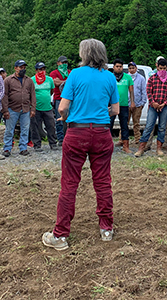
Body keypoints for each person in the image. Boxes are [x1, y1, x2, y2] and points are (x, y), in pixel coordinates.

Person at [42, 38, 119, 250]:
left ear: (85, 53)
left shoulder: (75, 75)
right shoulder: (110, 77)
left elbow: (62, 108)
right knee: (102, 182)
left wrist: (69, 116)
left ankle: (60, 234)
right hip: (102, 133)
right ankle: (106, 228)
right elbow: (116, 110)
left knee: (69, 184)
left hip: (77, 132)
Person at [136, 58, 167, 157]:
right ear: (157, 67)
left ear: (166, 68)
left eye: (164, 68)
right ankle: (141, 148)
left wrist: (165, 103)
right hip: (153, 106)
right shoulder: (152, 78)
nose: (162, 70)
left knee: (162, 127)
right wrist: (153, 102)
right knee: (148, 126)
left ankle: (159, 148)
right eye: (160, 68)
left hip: (164, 106)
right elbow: (148, 91)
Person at [2, 59, 36, 157]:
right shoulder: (8, 80)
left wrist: (33, 108)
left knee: (25, 129)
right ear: (15, 68)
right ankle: (7, 148)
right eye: (21, 67)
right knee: (9, 129)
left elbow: (33, 95)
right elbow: (4, 96)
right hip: (12, 108)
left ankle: (23, 148)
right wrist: (5, 110)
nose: (23, 69)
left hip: (25, 108)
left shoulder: (29, 80)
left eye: (24, 68)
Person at [31, 62, 58, 151]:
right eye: (40, 69)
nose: (42, 71)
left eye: (43, 69)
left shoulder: (49, 80)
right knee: (36, 126)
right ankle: (37, 144)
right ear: (36, 70)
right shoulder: (32, 80)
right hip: (36, 107)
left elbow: (51, 91)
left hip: (48, 107)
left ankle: (53, 143)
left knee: (51, 125)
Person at [109, 59, 134, 153]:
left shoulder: (128, 77)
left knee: (124, 125)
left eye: (121, 66)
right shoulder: (110, 77)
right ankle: (108, 145)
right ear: (114, 67)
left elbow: (131, 91)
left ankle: (126, 146)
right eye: (117, 66)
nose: (119, 68)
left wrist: (132, 102)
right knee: (109, 125)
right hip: (112, 104)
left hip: (124, 105)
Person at [50, 56, 69, 149]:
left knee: (69, 119)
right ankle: (60, 139)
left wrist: (62, 82)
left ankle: (68, 138)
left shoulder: (70, 72)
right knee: (59, 119)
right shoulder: (54, 73)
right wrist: (67, 81)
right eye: (62, 62)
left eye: (65, 62)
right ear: (58, 63)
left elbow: (72, 82)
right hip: (58, 98)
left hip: (70, 99)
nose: (64, 64)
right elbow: (56, 83)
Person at [128, 62, 147, 147]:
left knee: (136, 123)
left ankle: (137, 139)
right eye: (130, 68)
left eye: (133, 68)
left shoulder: (141, 78)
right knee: (125, 123)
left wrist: (143, 103)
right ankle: (123, 139)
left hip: (138, 104)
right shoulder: (126, 77)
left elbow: (144, 91)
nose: (131, 70)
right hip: (127, 104)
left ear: (136, 68)